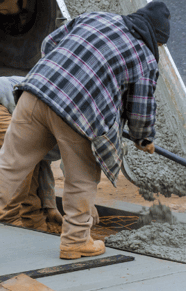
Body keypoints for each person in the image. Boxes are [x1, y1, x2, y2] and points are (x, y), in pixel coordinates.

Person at [0, 1, 170, 259]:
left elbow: (49, 45)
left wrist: (60, 74)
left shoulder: (94, 18)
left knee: (9, 167)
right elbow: (140, 107)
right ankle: (75, 241)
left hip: (34, 92)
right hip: (78, 112)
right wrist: (143, 137)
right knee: (82, 179)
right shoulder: (144, 57)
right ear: (155, 37)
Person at [0, 76, 63, 231]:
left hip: (15, 107)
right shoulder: (74, 128)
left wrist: (50, 207)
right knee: (20, 161)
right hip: (3, 102)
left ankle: (33, 222)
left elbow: (42, 164)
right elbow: (76, 179)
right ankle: (7, 220)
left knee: (28, 161)